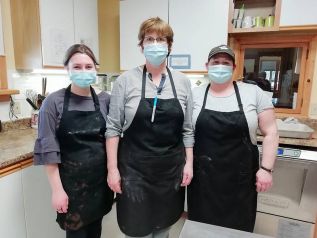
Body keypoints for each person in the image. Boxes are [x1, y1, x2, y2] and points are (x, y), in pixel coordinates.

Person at [106, 17, 194, 238]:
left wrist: (189, 164)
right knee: (137, 230)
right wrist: (112, 169)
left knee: (164, 229)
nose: (155, 44)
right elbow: (113, 129)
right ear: (141, 45)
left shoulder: (183, 82)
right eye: (149, 39)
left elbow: (187, 130)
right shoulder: (125, 81)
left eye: (161, 39)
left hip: (169, 172)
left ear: (169, 46)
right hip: (134, 173)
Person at [187, 45, 279, 232]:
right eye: (216, 62)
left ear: (234, 67)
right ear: (207, 65)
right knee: (201, 230)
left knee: (237, 230)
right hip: (203, 181)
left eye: (226, 63)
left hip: (241, 182)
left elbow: (271, 132)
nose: (220, 66)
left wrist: (266, 169)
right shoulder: (194, 94)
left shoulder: (254, 93)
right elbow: (186, 133)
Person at [33, 44, 114, 238]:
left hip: (99, 185)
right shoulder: (53, 102)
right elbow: (48, 150)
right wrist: (57, 191)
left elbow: (113, 139)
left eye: (88, 66)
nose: (83, 71)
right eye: (77, 67)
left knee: (95, 231)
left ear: (96, 69)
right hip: (71, 188)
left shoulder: (106, 100)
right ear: (66, 69)